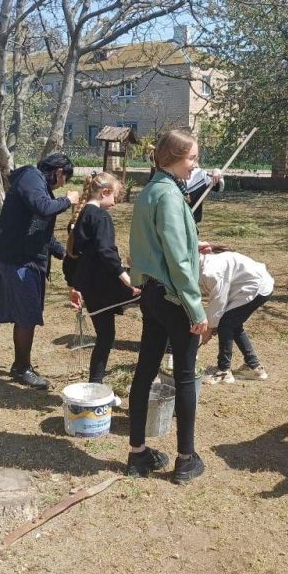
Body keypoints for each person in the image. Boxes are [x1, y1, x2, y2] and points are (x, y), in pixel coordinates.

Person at [125, 129, 208, 484]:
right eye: (192, 158)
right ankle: (186, 460)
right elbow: (177, 260)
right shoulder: (170, 196)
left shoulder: (150, 191)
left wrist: (194, 244)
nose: (195, 165)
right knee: (185, 375)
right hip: (173, 298)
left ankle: (137, 453)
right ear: (173, 157)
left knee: (145, 370)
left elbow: (155, 245)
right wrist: (196, 308)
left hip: (151, 294)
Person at [0, 153, 80, 390]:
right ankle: (22, 368)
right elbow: (44, 208)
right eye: (64, 180)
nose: (62, 186)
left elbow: (41, 232)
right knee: (27, 315)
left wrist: (65, 253)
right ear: (59, 172)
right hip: (16, 259)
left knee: (26, 315)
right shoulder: (31, 177)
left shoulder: (38, 186)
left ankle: (21, 364)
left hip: (26, 259)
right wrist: (67, 200)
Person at [63, 172, 140, 385]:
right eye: (114, 196)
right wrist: (127, 279)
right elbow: (106, 252)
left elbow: (70, 257)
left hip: (90, 289)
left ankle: (95, 384)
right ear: (104, 192)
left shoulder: (80, 216)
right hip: (104, 285)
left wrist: (73, 286)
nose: (115, 203)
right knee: (155, 295)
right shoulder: (100, 217)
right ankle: (169, 351)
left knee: (105, 336)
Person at [198, 244, 274, 384]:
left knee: (225, 324)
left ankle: (223, 372)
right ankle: (254, 368)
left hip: (256, 287)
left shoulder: (211, 272)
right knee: (233, 323)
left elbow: (218, 301)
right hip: (254, 285)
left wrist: (209, 329)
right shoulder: (201, 259)